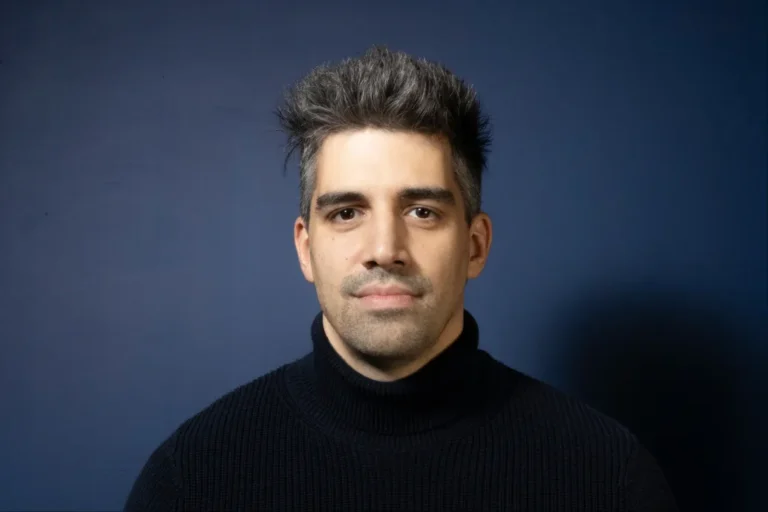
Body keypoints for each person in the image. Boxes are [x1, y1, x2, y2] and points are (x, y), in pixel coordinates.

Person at [124, 45, 678, 511]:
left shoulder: (609, 478)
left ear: (475, 245)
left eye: (422, 211)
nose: (385, 250)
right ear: (306, 249)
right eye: (347, 213)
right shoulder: (191, 478)